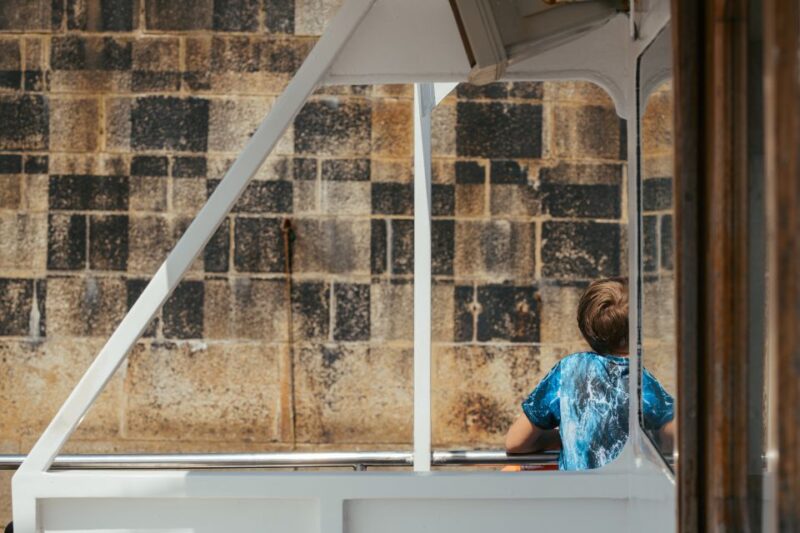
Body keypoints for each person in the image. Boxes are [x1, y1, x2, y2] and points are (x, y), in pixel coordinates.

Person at [504, 277, 674, 470]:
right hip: (626, 487)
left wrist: (558, 438)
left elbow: (515, 442)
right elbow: (675, 436)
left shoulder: (568, 370)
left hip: (578, 488)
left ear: (586, 329)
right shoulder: (641, 381)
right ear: (638, 328)